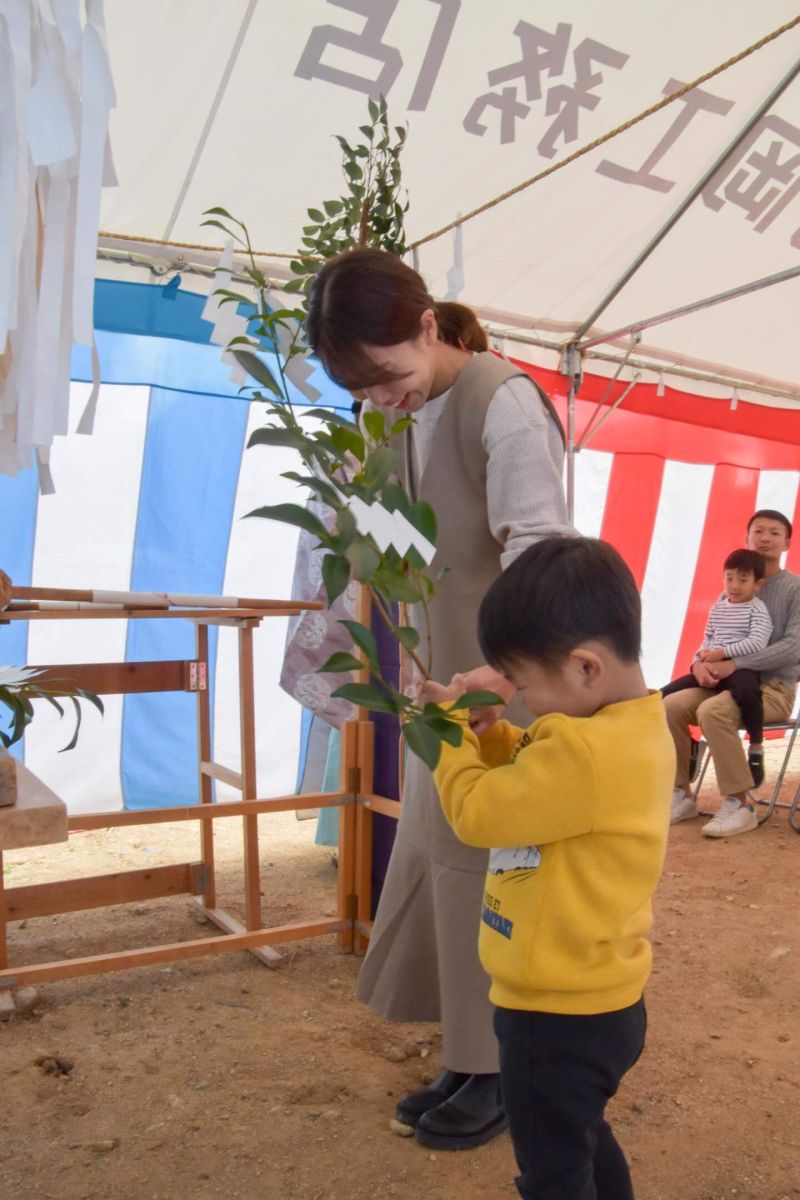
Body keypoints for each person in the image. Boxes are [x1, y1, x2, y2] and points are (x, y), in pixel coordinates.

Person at [306, 247, 571, 1150]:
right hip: (442, 695)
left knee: (502, 881)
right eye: (363, 391)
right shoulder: (396, 416)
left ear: (427, 327)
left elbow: (539, 551)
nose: (383, 400)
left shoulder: (503, 400)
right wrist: (344, 512)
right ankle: (469, 1054)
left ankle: (502, 1070)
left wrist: (501, 676)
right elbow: (409, 542)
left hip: (504, 693)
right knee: (442, 862)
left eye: (389, 377)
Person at [420, 536, 673, 1200]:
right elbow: (543, 781)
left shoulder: (585, 755)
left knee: (554, 1174)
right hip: (602, 1000)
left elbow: (479, 813)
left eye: (526, 684)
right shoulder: (628, 729)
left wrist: (444, 734)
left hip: (552, 1014)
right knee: (579, 1137)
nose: (525, 702)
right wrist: (493, 736)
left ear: (586, 667)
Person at [667, 509, 800, 838]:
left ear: (787, 542)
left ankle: (741, 804)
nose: (765, 537)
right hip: (723, 683)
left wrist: (736, 664)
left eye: (774, 532)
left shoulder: (795, 588)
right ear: (747, 538)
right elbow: (713, 637)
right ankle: (681, 794)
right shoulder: (731, 587)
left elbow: (795, 647)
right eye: (758, 531)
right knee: (666, 706)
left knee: (713, 711)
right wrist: (698, 664)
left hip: (772, 689)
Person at [661, 548, 772, 786]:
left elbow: (757, 642)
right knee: (664, 694)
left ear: (757, 584)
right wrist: (701, 659)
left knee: (749, 693)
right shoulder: (719, 606)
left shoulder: (757, 609)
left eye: (743, 580)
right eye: (729, 578)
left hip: (741, 668)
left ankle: (756, 745)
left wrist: (724, 653)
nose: (734, 585)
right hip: (711, 665)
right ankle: (690, 746)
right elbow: (708, 638)